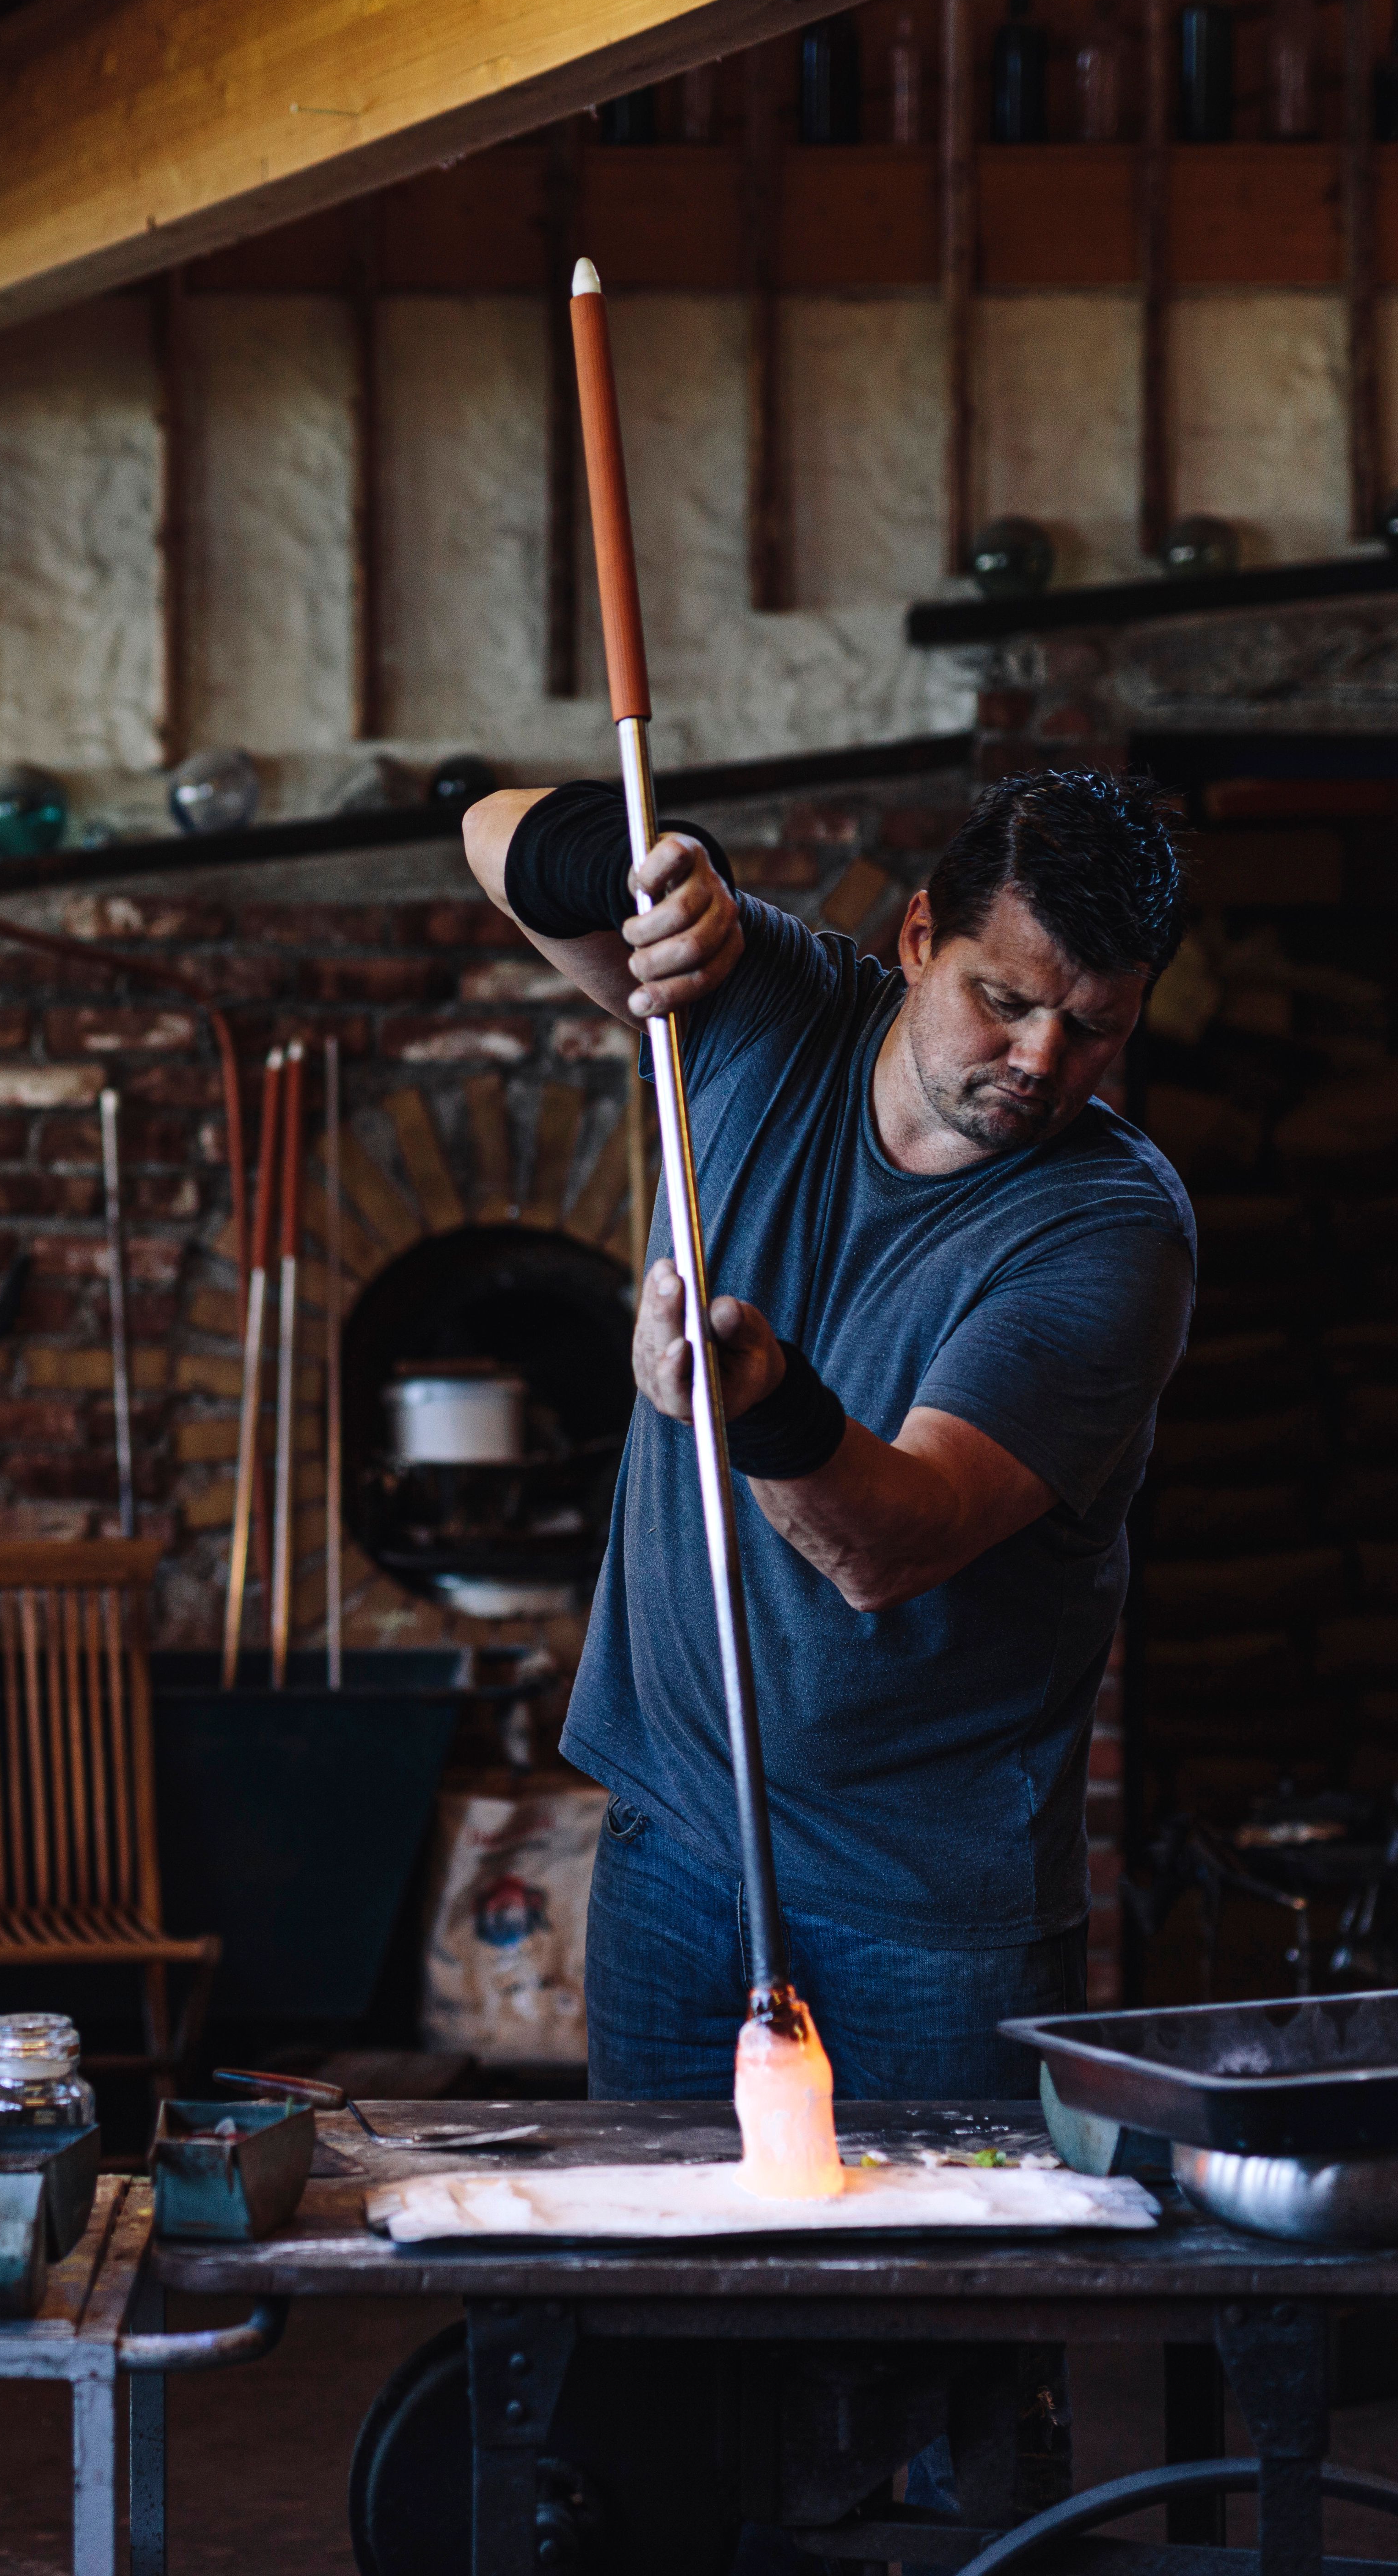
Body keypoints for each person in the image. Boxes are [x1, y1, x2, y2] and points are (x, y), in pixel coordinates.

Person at [460, 767, 1197, 2101]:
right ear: (920, 938)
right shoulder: (775, 1009)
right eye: (1006, 1001)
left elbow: (895, 1544)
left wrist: (765, 1409)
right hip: (676, 1844)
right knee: (667, 2299)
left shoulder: (1110, 1229)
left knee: (923, 2304)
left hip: (924, 1910)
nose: (1040, 1064)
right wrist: (650, 872)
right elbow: (487, 833)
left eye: (1092, 1031)